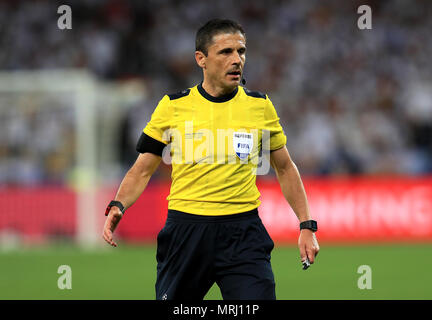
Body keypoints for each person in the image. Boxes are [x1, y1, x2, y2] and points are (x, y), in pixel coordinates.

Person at [102, 18, 319, 300]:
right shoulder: (173, 106)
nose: (237, 59)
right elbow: (142, 169)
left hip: (243, 233)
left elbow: (285, 167)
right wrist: (119, 203)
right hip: (186, 232)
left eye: (241, 51)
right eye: (226, 52)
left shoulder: (259, 106)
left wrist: (306, 225)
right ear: (201, 59)